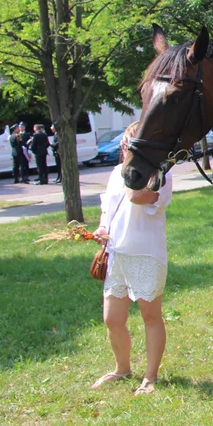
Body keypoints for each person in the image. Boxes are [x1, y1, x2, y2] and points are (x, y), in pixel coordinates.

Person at [90, 122, 174, 396]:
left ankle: (151, 377)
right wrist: (103, 228)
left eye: (132, 147)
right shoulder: (116, 173)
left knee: (151, 316)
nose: (126, 152)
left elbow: (138, 197)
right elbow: (109, 206)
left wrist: (133, 173)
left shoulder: (159, 175)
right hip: (117, 254)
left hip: (146, 253)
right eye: (125, 146)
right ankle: (122, 368)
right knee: (112, 318)